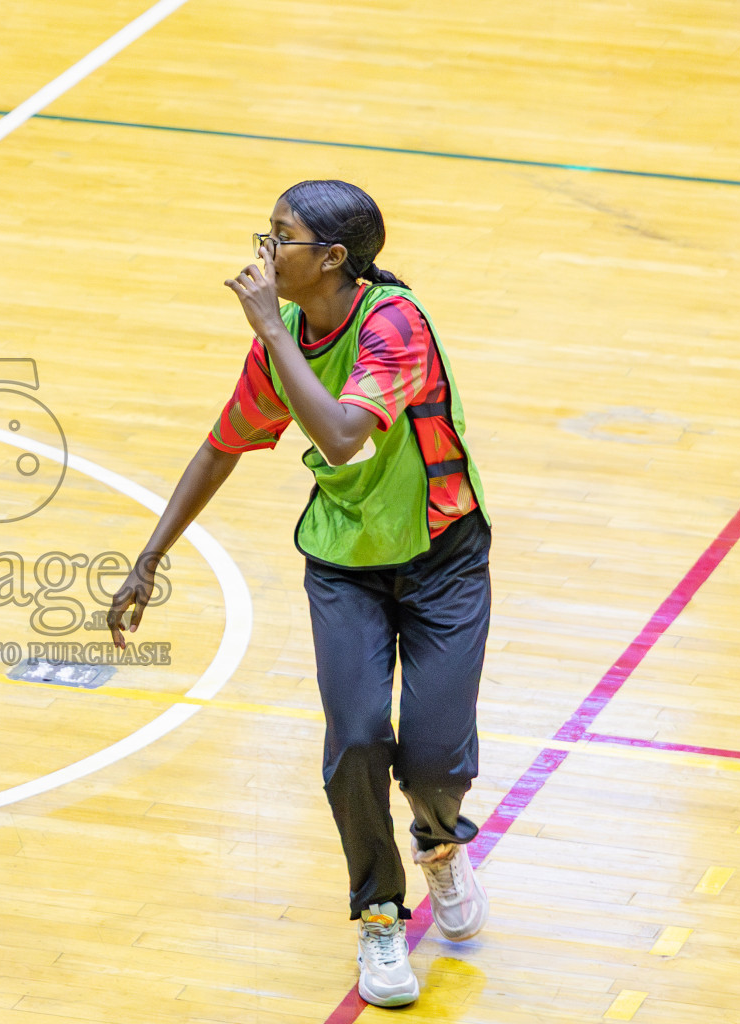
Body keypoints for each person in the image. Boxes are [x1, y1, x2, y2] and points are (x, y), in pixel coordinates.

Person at [107, 180, 492, 1007]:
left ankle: (438, 842)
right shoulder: (283, 343)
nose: (262, 249)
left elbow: (345, 439)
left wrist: (271, 333)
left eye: (279, 235)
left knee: (432, 759)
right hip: (344, 564)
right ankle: (380, 915)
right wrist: (149, 556)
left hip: (443, 558)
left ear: (332, 259)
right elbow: (222, 446)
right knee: (354, 741)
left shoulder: (396, 327)